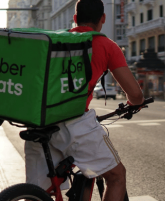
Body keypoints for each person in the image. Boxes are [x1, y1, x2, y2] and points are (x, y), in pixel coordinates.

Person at [24, 1, 144, 201]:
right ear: (103, 19)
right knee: (116, 177)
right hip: (73, 122)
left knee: (36, 192)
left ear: (74, 19)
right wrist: (135, 103)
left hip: (38, 119)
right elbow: (135, 93)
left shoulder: (54, 41)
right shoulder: (106, 46)